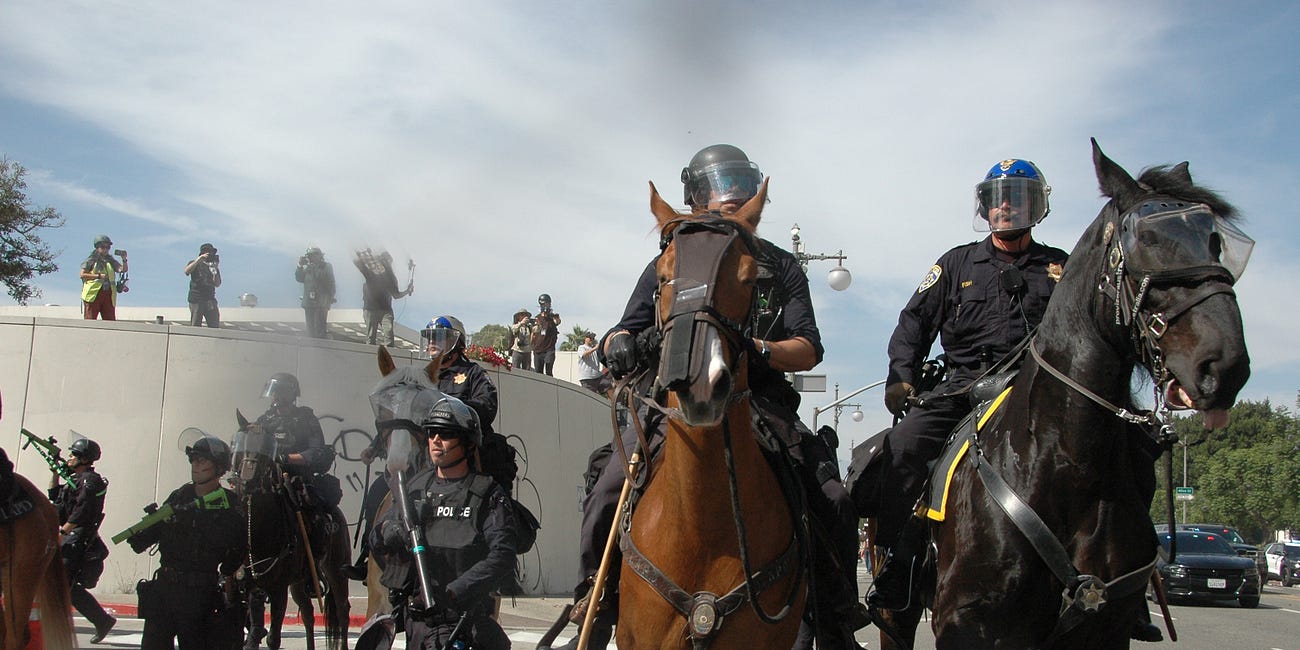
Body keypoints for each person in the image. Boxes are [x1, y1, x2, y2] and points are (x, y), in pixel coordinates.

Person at [564, 144, 865, 649]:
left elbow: (807, 348)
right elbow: (625, 327)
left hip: (760, 406)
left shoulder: (781, 265)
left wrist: (756, 348)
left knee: (831, 498)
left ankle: (834, 616)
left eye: (739, 186)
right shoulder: (670, 256)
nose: (728, 198)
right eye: (715, 187)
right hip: (675, 400)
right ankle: (593, 604)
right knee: (605, 488)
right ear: (695, 196)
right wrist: (618, 346)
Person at [866, 159, 1068, 614]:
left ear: (1035, 206)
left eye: (1015, 197)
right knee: (904, 444)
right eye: (996, 198)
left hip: (1035, 388)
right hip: (963, 387)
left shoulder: (1060, 266)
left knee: (1117, 443)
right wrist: (902, 376)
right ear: (985, 205)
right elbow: (913, 322)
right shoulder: (956, 262)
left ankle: (1127, 574)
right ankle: (901, 565)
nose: (1005, 207)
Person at [346, 316, 515, 580]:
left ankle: (501, 555)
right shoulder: (418, 378)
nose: (434, 345)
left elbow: (487, 405)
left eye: (441, 339)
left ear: (457, 342)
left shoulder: (472, 374)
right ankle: (370, 552)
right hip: (426, 450)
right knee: (378, 492)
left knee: (495, 480)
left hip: (461, 446)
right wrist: (376, 445)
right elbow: (402, 420)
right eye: (430, 339)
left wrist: (452, 411)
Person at [369, 395, 519, 650]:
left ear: (468, 443)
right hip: (418, 623)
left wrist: (454, 592)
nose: (436, 440)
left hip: (463, 621)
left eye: (447, 434)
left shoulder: (486, 494)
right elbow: (376, 538)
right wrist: (390, 531)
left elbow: (502, 555)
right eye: (432, 432)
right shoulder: (413, 489)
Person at [126, 436, 246, 649]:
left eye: (202, 461)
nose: (195, 466)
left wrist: (193, 520)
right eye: (193, 460)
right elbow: (154, 530)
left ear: (218, 467)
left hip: (198, 594)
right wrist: (145, 532)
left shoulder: (228, 502)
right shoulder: (181, 495)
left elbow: (234, 548)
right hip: (165, 589)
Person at [48, 437, 116, 643]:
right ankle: (102, 620)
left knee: (63, 585)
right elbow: (54, 495)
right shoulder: (74, 480)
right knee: (65, 586)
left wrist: (63, 533)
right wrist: (54, 471)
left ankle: (95, 621)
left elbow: (82, 511)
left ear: (84, 459)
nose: (69, 458)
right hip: (69, 538)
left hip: (77, 540)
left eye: (73, 455)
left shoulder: (90, 481)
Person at [355, 249, 413, 345]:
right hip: (370, 309)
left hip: (385, 310)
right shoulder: (370, 273)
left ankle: (389, 355)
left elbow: (396, 295)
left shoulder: (391, 278)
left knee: (388, 333)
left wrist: (407, 291)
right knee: (370, 336)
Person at [79, 234, 127, 321]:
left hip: (108, 293)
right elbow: (82, 274)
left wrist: (124, 259)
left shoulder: (111, 261)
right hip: (93, 294)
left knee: (110, 320)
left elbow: (122, 270)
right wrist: (98, 276)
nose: (105, 249)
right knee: (90, 320)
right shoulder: (91, 259)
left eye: (108, 247)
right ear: (97, 247)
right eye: (103, 247)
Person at [296, 247, 336, 339]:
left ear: (319, 256)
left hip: (321, 302)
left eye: (313, 255)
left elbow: (331, 283)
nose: (311, 257)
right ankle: (311, 347)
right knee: (310, 330)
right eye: (310, 255)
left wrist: (330, 298)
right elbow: (299, 278)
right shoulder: (307, 268)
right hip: (308, 302)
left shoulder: (326, 266)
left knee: (319, 328)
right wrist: (300, 266)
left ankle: (321, 346)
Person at [184, 242, 222, 328]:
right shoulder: (195, 263)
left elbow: (217, 283)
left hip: (209, 299)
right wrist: (199, 260)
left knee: (214, 324)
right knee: (196, 324)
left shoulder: (212, 266)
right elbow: (186, 271)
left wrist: (215, 269)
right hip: (197, 299)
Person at [531, 294, 561, 376]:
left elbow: (557, 322)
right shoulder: (537, 318)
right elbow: (533, 333)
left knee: (548, 371)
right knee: (538, 373)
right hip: (538, 349)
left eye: (546, 304)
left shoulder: (552, 317)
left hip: (549, 349)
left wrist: (553, 316)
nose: (544, 306)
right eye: (542, 304)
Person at [576, 332, 612, 397]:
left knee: (609, 388)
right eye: (590, 338)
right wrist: (595, 348)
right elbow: (584, 355)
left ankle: (617, 404)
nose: (592, 339)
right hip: (587, 378)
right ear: (585, 338)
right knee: (590, 397)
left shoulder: (595, 350)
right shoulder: (582, 347)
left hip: (598, 376)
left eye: (593, 338)